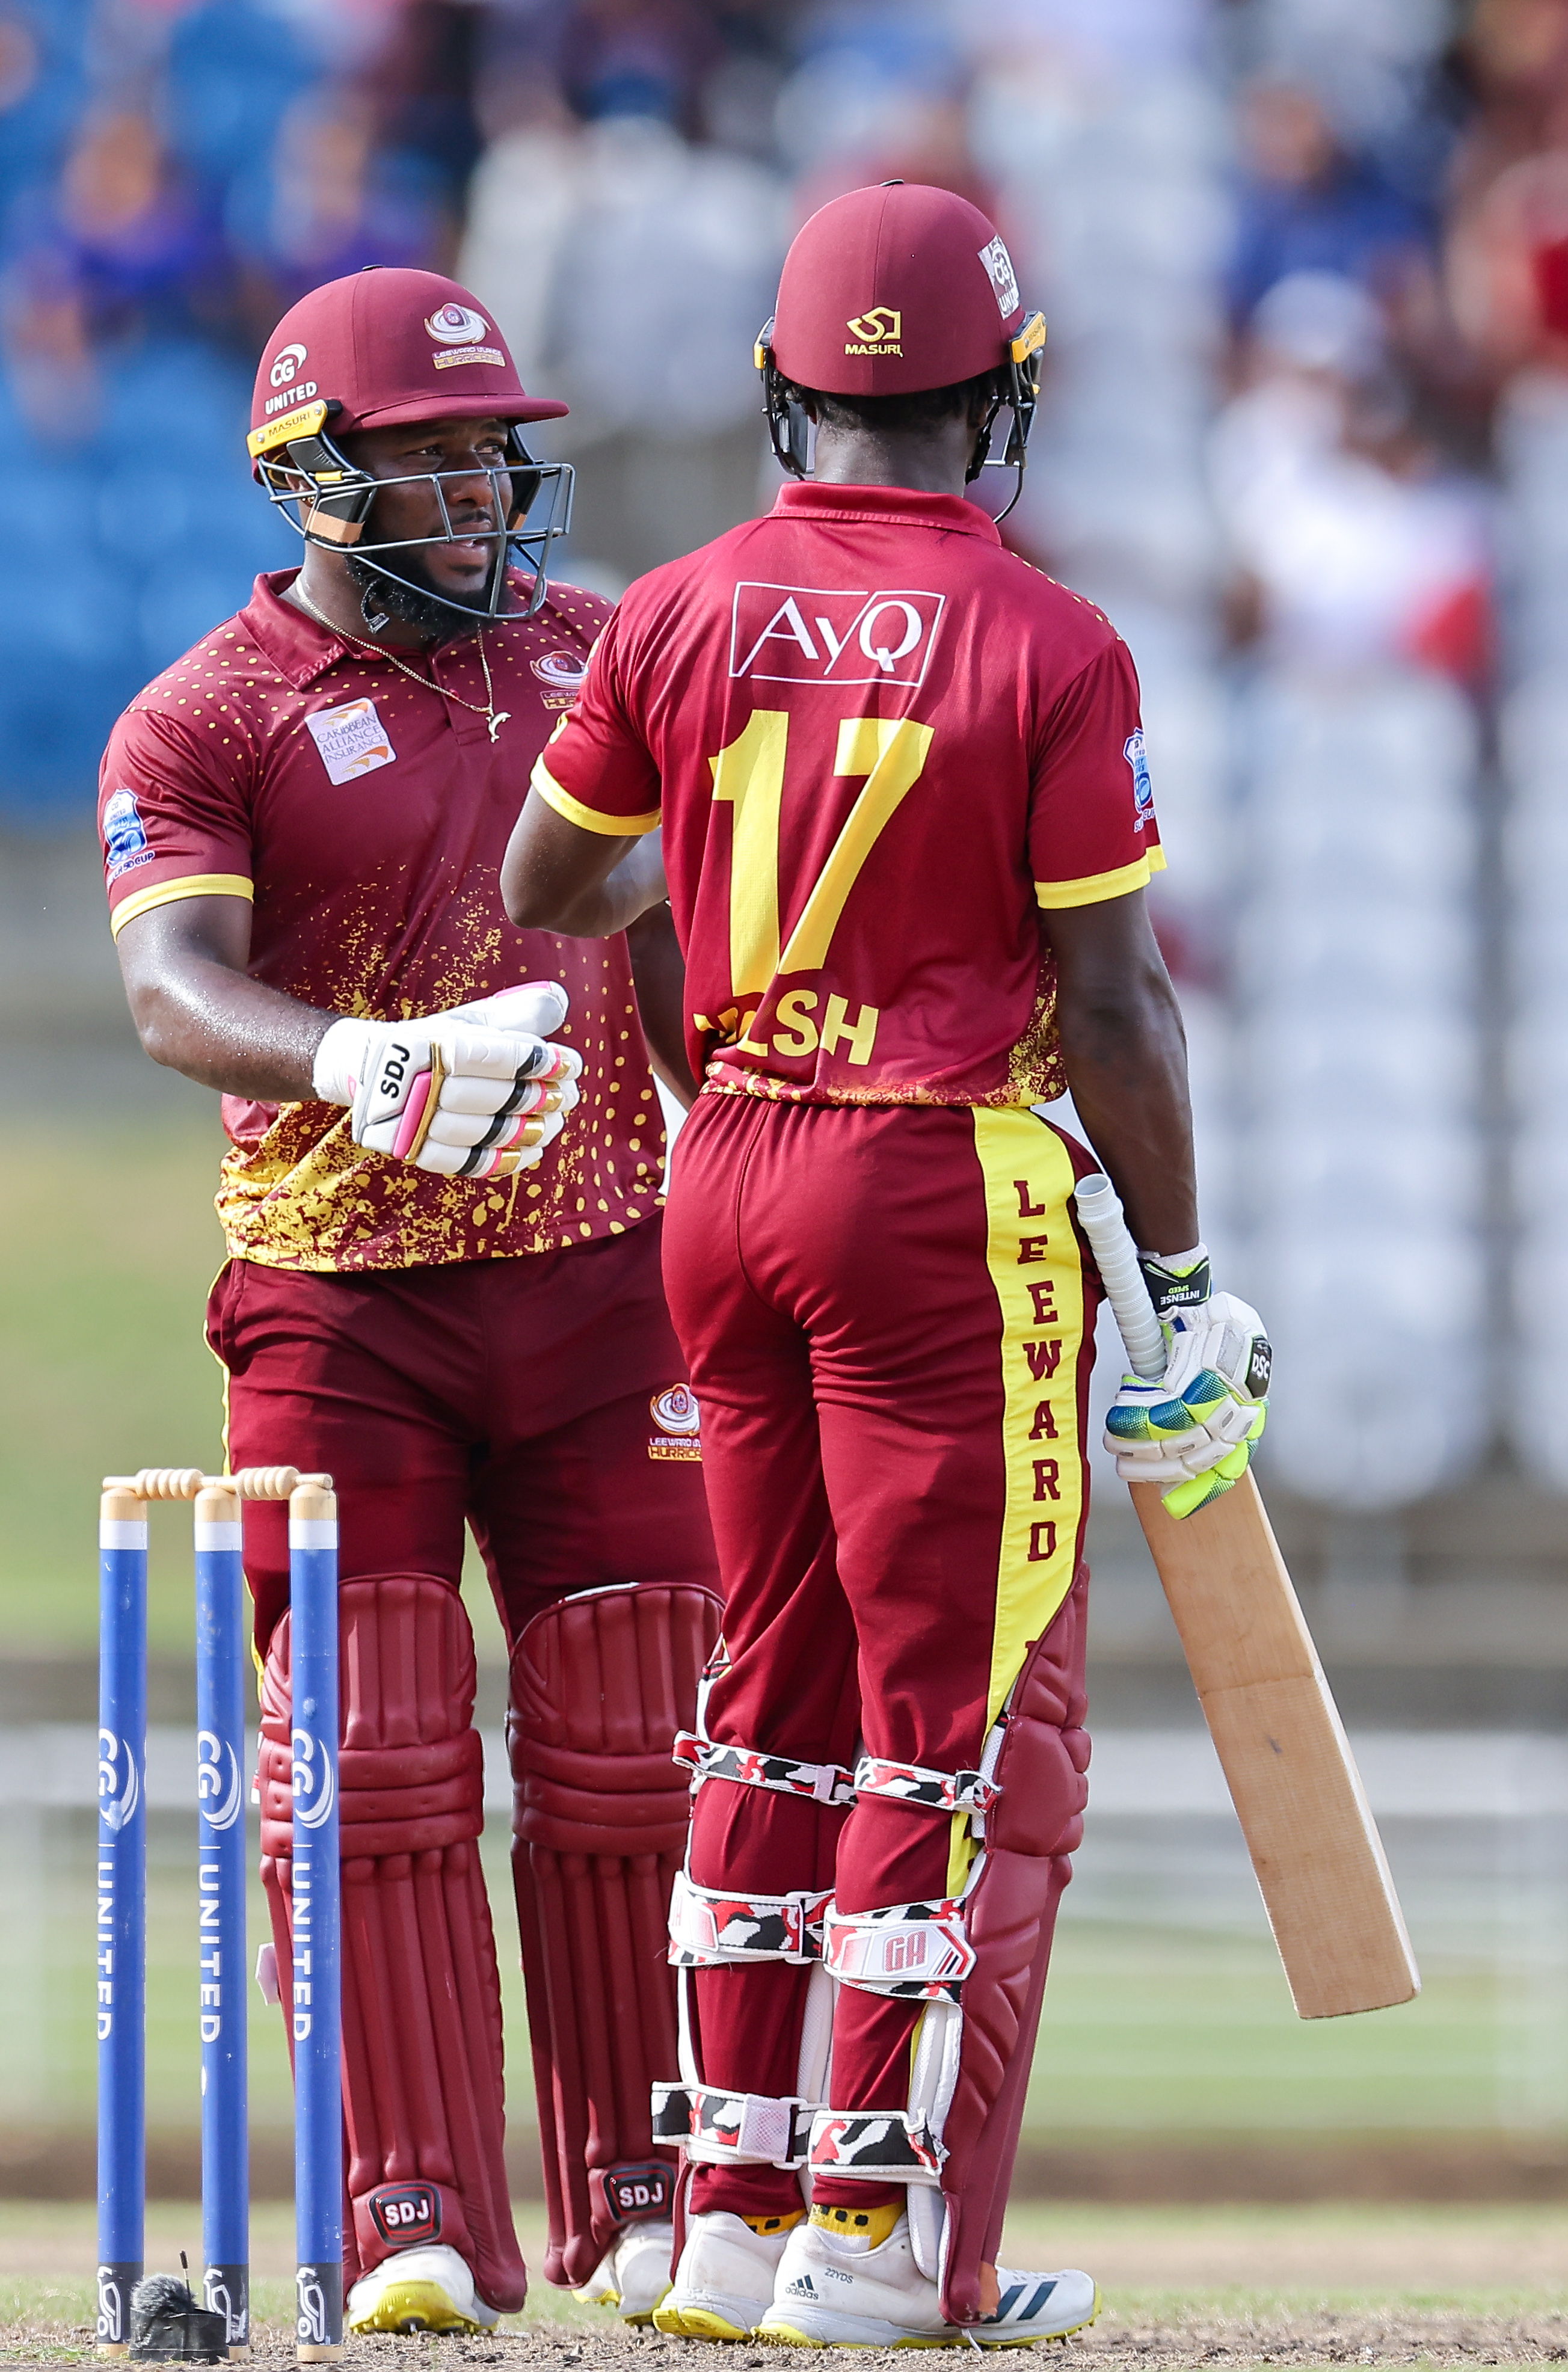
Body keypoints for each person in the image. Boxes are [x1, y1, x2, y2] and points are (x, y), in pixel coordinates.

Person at [500, 182, 1270, 2348]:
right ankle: (877, 2246)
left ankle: (725, 2218)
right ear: (997, 398)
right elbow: (1115, 1009)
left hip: (726, 1171)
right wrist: (1187, 1282)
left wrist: (723, 876)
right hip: (938, 1188)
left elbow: (552, 880)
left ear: (784, 386)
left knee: (771, 1695)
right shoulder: (1051, 640)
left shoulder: (676, 603)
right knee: (938, 1726)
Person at [98, 265, 720, 2338]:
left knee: (636, 1733)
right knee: (364, 1753)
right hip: (337, 1299)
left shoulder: (605, 648)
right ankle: (409, 2214)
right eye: (432, 460)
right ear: (312, 479)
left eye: (493, 455)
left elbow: (670, 965)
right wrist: (363, 1063)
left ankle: (641, 2191)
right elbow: (171, 987)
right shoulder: (206, 715)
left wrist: (747, 1157)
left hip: (609, 1269)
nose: (479, 495)